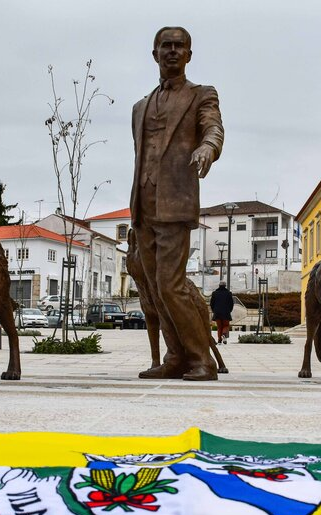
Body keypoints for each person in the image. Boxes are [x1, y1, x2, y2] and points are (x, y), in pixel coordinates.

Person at [131, 26, 224, 381]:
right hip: (143, 204)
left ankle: (202, 359)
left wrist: (206, 148)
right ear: (154, 54)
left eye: (179, 46)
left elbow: (213, 128)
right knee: (155, 290)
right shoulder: (139, 108)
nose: (172, 51)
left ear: (188, 54)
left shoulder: (202, 95)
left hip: (175, 201)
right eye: (165, 46)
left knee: (170, 284)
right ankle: (175, 356)